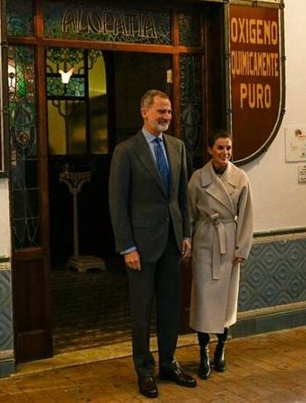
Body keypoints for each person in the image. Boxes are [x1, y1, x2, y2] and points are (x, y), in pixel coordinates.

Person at [109, 90, 197, 399]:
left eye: (170, 112)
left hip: (173, 242)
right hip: (141, 248)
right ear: (145, 112)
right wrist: (127, 247)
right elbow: (117, 203)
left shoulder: (177, 147)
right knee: (141, 311)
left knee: (171, 309)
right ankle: (144, 371)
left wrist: (186, 234)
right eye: (161, 111)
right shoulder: (126, 151)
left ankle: (169, 364)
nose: (167, 117)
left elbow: (182, 198)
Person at [187, 130, 254, 379]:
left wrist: (242, 248)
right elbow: (189, 212)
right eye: (220, 148)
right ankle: (203, 350)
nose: (225, 153)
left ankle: (221, 348)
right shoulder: (197, 178)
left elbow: (247, 215)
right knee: (204, 299)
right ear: (209, 149)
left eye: (228, 148)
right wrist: (189, 242)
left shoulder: (241, 177)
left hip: (229, 242)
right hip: (205, 242)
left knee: (226, 303)